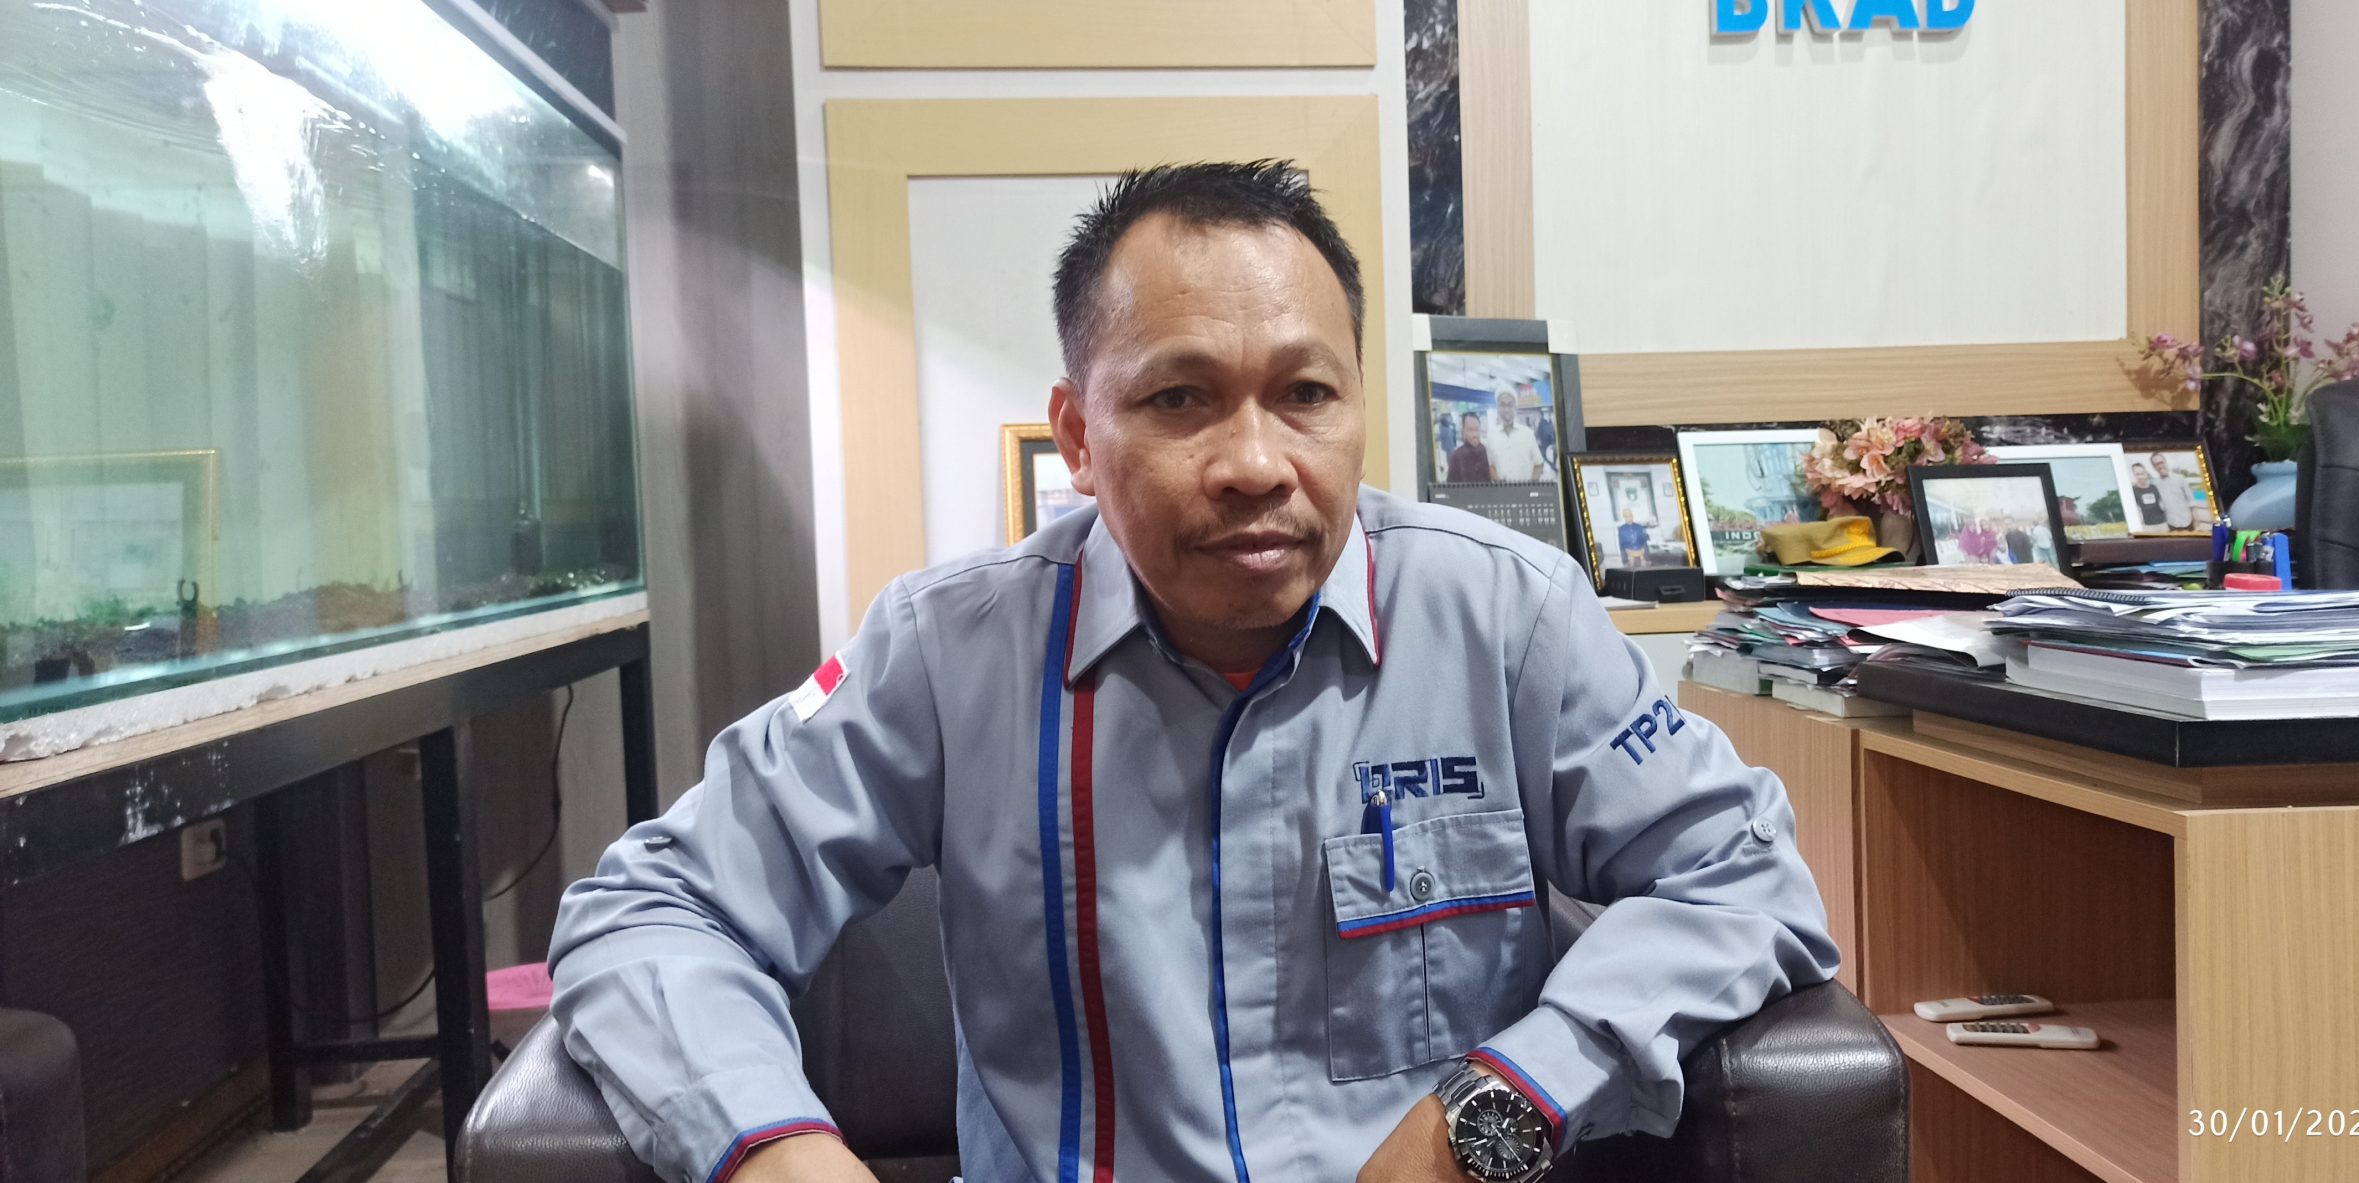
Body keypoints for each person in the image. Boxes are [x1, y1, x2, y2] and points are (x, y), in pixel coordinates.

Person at [549, 161, 1836, 1183]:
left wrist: (1496, 1109)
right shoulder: (948, 653)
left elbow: (1739, 875)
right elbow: (656, 907)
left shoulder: (1509, 618)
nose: (1255, 463)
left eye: (1306, 394)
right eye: (1179, 400)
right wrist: (771, 1148)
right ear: (1077, 435)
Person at [1482, 388, 1545, 483]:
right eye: (1502, 405)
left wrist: (1531, 486)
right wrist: (1498, 483)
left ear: (1515, 407)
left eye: (1510, 405)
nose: (1506, 409)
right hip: (1502, 491)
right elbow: (1490, 465)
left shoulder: (1528, 433)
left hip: (1525, 490)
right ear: (1497, 408)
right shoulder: (1491, 435)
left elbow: (1539, 464)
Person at [2150, 451, 2196, 530]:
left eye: (2161, 462)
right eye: (2156, 464)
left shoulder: (2180, 478)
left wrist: (2195, 516)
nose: (2160, 466)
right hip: (2171, 524)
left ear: (2165, 462)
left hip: (2187, 521)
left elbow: (2190, 498)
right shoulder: (2155, 484)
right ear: (2154, 467)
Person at [1445, 411, 1492, 482]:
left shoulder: (1484, 450)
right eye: (1470, 430)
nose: (1474, 435)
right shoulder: (1456, 456)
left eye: (1476, 429)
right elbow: (1450, 486)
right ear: (1463, 431)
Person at [2131, 463, 2168, 529]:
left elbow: (2162, 504)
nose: (2141, 476)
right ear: (2134, 475)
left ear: (2146, 473)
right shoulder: (2132, 491)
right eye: (2138, 474)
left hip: (2162, 524)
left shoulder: (2154, 487)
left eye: (2142, 473)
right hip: (2147, 526)